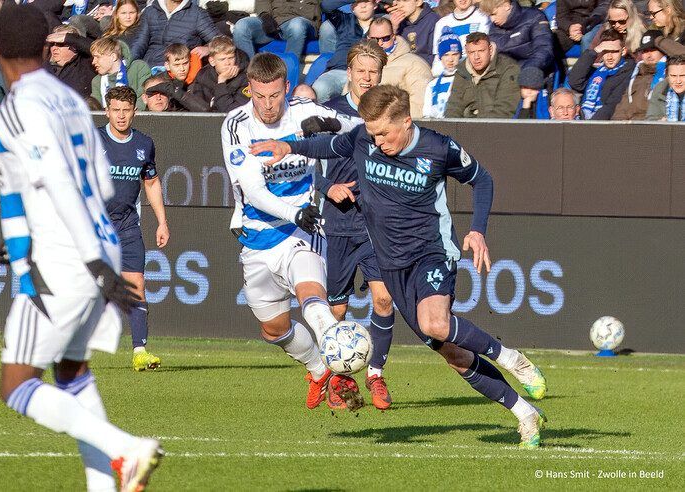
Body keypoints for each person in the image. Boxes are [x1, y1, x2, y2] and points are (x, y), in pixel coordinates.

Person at [252, 84, 549, 447]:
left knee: (436, 323)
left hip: (430, 253)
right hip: (391, 265)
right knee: (454, 355)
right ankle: (525, 413)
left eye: (383, 133)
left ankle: (511, 357)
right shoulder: (363, 137)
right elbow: (329, 146)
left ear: (406, 121)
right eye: (372, 133)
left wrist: (477, 230)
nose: (376, 141)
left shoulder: (437, 147)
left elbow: (481, 180)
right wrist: (288, 147)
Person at [0, 4, 162, 491]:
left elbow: (59, 181)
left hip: (68, 258)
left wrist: (84, 258)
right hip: (98, 245)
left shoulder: (19, 106)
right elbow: (96, 184)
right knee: (72, 373)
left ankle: (125, 449)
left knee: (17, 385)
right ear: (45, 47)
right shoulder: (70, 99)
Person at [220, 53, 366, 411]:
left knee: (311, 293)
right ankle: (319, 369)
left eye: (274, 95)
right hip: (257, 234)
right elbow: (254, 191)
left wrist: (334, 128)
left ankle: (340, 351)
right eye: (259, 96)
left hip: (303, 230)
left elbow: (361, 128)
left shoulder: (303, 111)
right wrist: (293, 211)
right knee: (274, 330)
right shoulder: (236, 125)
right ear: (249, 91)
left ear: (286, 88)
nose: (267, 105)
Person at [316, 40, 401, 409]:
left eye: (374, 72)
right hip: (336, 226)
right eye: (361, 71)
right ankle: (339, 381)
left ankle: (376, 375)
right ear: (348, 72)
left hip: (373, 226)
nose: (367, 77)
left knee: (384, 298)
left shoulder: (390, 113)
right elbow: (304, 167)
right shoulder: (327, 113)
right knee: (336, 311)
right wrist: (327, 187)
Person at [98, 86, 168, 371]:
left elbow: (150, 182)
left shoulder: (144, 143)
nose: (122, 116)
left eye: (126, 110)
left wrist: (162, 221)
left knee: (136, 284)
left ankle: (140, 351)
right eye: (116, 110)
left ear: (134, 111)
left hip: (127, 226)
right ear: (107, 111)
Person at [313, 0, 377, 103]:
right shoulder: (345, 20)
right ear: (352, 8)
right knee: (320, 88)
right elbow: (325, 5)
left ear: (375, 5)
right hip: (339, 70)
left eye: (367, 2)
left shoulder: (381, 24)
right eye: (358, 3)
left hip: (366, 74)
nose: (363, 6)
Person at [444, 31, 520, 118]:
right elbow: (453, 107)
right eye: (471, 52)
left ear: (490, 49)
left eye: (481, 51)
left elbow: (504, 109)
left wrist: (480, 129)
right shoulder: (462, 72)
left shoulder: (508, 69)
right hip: (464, 128)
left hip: (495, 128)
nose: (476, 57)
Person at [367, 17, 431, 118]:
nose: (380, 43)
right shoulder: (360, 63)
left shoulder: (414, 64)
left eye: (385, 38)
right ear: (368, 39)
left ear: (393, 37)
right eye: (375, 39)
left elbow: (418, 106)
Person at [131, 0, 219, 69]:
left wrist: (208, 48)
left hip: (179, 69)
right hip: (150, 67)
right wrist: (128, 64)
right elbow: (139, 43)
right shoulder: (150, 11)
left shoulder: (197, 14)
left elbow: (221, 42)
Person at [569, 28, 635, 119]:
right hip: (583, 119)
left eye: (614, 51)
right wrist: (594, 52)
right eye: (605, 51)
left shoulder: (628, 71)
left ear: (623, 51)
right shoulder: (598, 71)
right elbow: (575, 81)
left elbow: (612, 104)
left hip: (603, 124)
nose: (609, 57)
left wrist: (590, 125)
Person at [480, 0, 554, 75]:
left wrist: (527, 71)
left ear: (506, 6)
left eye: (494, 14)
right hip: (506, 75)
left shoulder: (535, 17)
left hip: (534, 72)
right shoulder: (494, 28)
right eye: (489, 16)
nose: (492, 20)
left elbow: (543, 50)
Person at [232, 0, 322, 60]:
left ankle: (287, 78)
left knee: (297, 25)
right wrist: (265, 16)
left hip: (303, 21)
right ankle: (249, 77)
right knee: (242, 26)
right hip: (275, 21)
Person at [185, 35, 250, 112]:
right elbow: (198, 108)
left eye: (231, 58)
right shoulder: (203, 75)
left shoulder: (245, 77)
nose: (227, 63)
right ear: (212, 61)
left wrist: (221, 83)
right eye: (222, 59)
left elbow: (234, 112)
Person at [612, 29, 667, 120]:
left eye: (652, 50)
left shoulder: (670, 74)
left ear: (663, 50)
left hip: (652, 126)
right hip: (630, 127)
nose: (649, 55)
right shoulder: (636, 74)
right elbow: (623, 107)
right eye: (645, 51)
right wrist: (617, 125)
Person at [431, 0, 490, 76]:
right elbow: (436, 65)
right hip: (448, 77)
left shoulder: (483, 18)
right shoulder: (441, 23)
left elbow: (484, 54)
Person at [90, 36, 150, 110]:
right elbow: (96, 109)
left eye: (97, 57)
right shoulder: (97, 81)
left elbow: (144, 98)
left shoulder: (138, 68)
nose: (93, 62)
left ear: (113, 57)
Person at [45, 24, 95, 98]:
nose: (54, 48)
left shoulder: (86, 62)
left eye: (60, 44)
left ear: (74, 46)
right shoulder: (45, 69)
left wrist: (68, 38)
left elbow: (96, 49)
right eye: (52, 44)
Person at [424, 28, 462, 118]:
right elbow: (426, 114)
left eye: (454, 54)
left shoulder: (465, 80)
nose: (450, 59)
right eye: (446, 55)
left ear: (460, 55)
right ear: (440, 57)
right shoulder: (432, 85)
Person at [388, 0, 440, 64]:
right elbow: (391, 53)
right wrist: (393, 29)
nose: (400, 5)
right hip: (403, 67)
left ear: (418, 2)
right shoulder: (398, 23)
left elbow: (434, 55)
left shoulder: (433, 20)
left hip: (425, 68)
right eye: (398, 0)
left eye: (405, 1)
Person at [646, 54, 685, 120]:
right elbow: (650, 119)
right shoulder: (660, 89)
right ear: (667, 76)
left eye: (682, 75)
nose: (678, 81)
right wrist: (660, 122)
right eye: (673, 76)